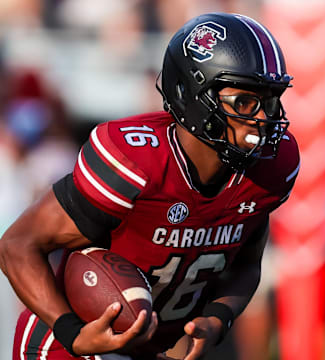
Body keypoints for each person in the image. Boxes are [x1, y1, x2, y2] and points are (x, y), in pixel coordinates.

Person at [0, 12, 300, 360]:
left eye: (270, 101)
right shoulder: (136, 164)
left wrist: (219, 317)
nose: (263, 118)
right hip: (68, 351)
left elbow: (246, 263)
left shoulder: (268, 169)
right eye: (245, 102)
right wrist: (72, 333)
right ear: (193, 95)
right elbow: (17, 245)